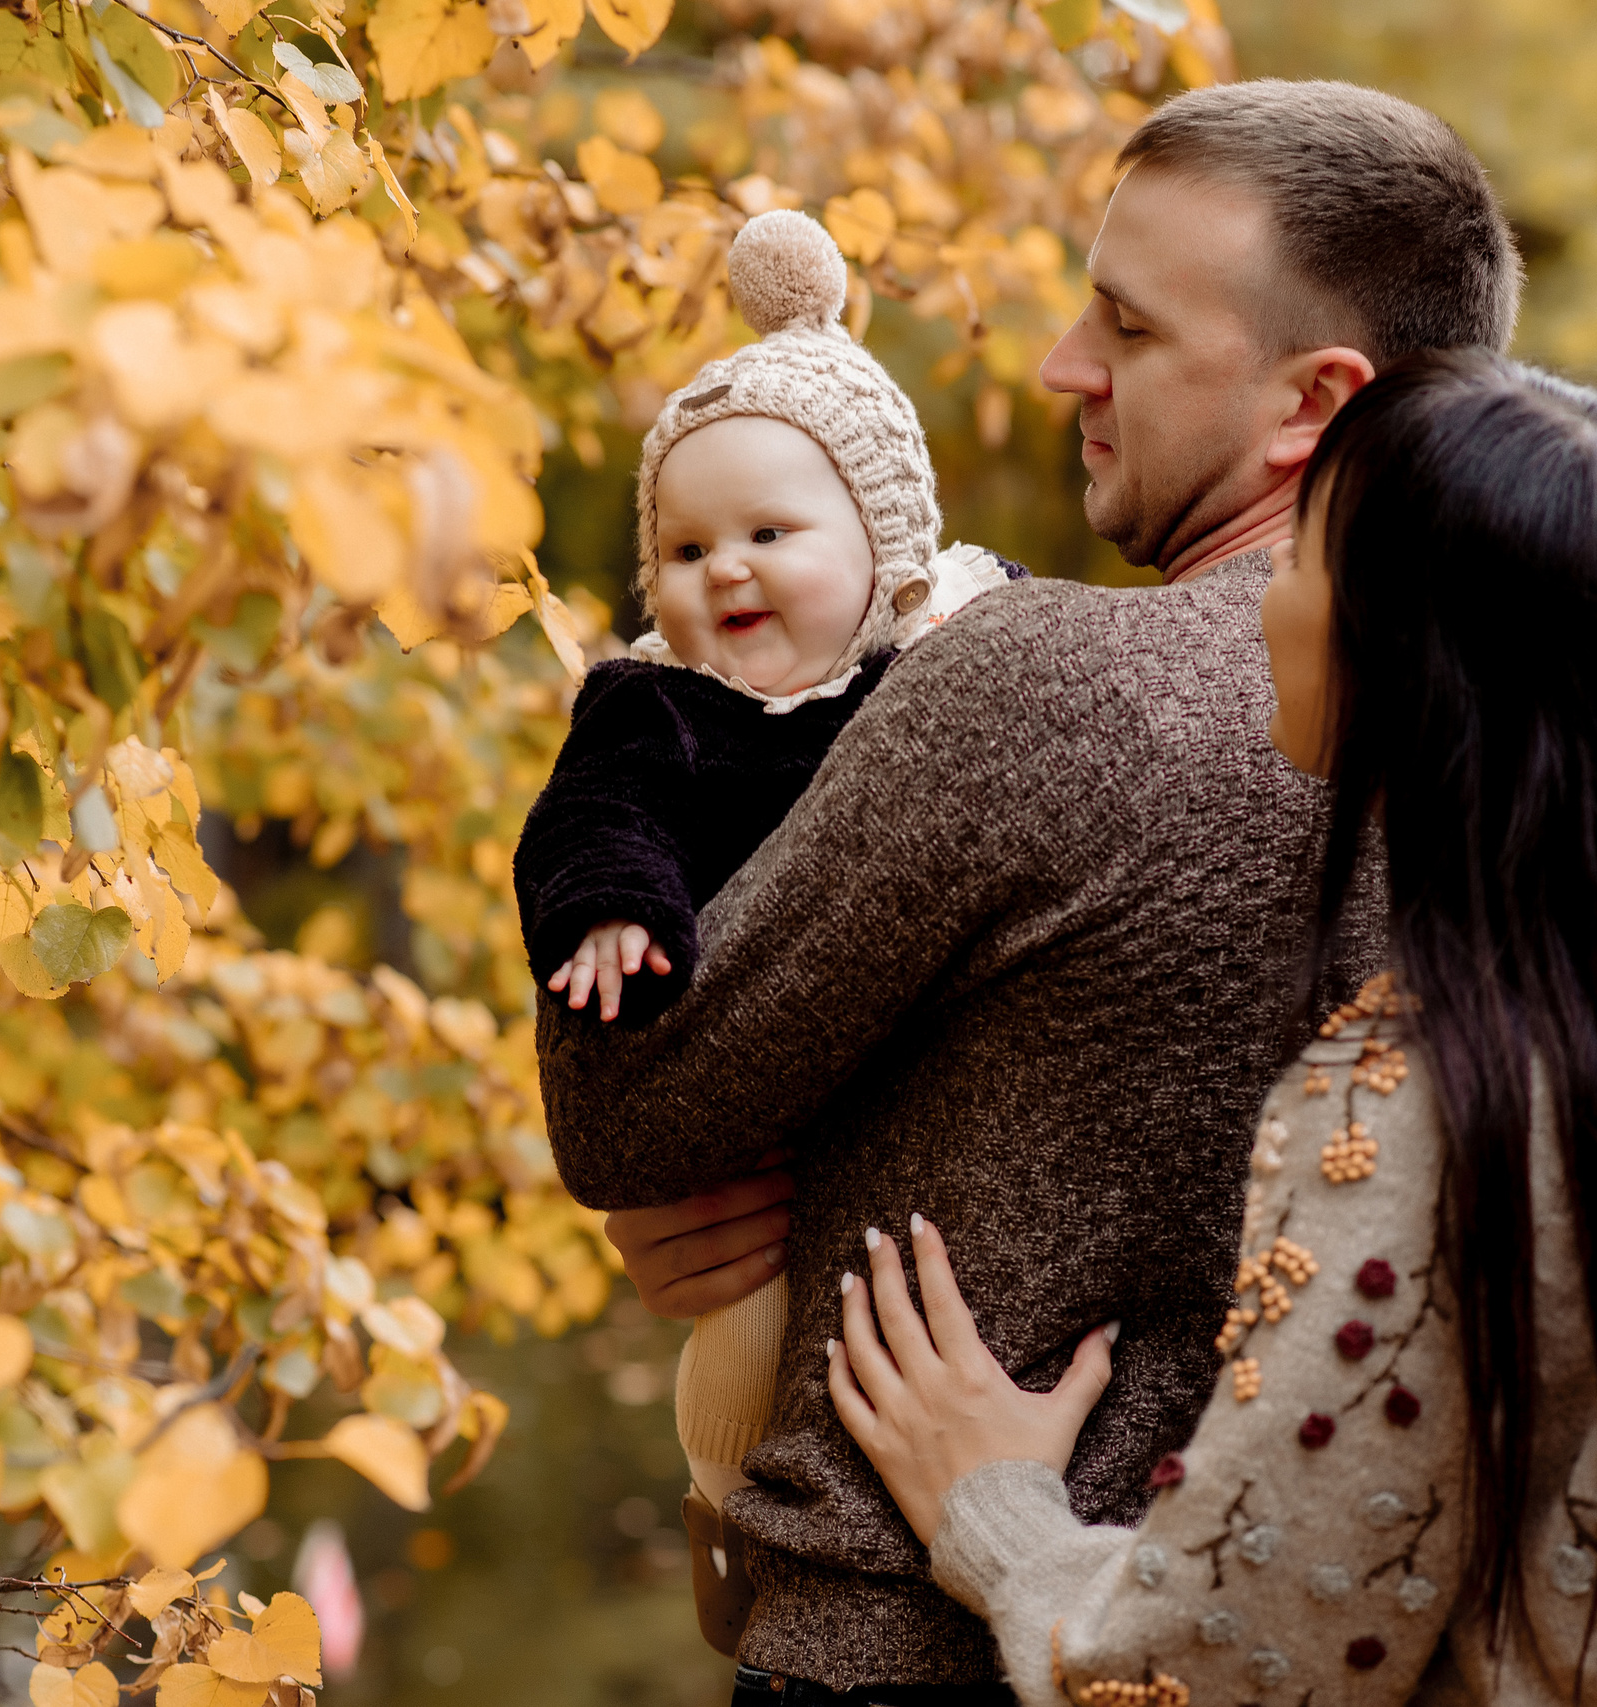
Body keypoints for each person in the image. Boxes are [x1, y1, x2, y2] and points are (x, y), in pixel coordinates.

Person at [827, 350, 1597, 1707]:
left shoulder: (1429, 1099)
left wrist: (1000, 1515)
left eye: (1305, 555)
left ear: (1414, 660)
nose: (1270, 602)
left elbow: (1236, 1669)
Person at [536, 82, 1521, 1702]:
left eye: (1124, 329)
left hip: (921, 1645)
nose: (1064, 366)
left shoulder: (1045, 686)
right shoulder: (1574, 744)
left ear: (1310, 404)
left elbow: (627, 1103)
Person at [515, 207, 1020, 1654]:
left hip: (920, 1118)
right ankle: (736, 1526)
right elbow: (590, 820)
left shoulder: (963, 653)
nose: (721, 571)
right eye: (683, 546)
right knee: (744, 1348)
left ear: (887, 542)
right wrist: (612, 906)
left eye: (769, 535)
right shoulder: (657, 704)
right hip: (742, 1133)